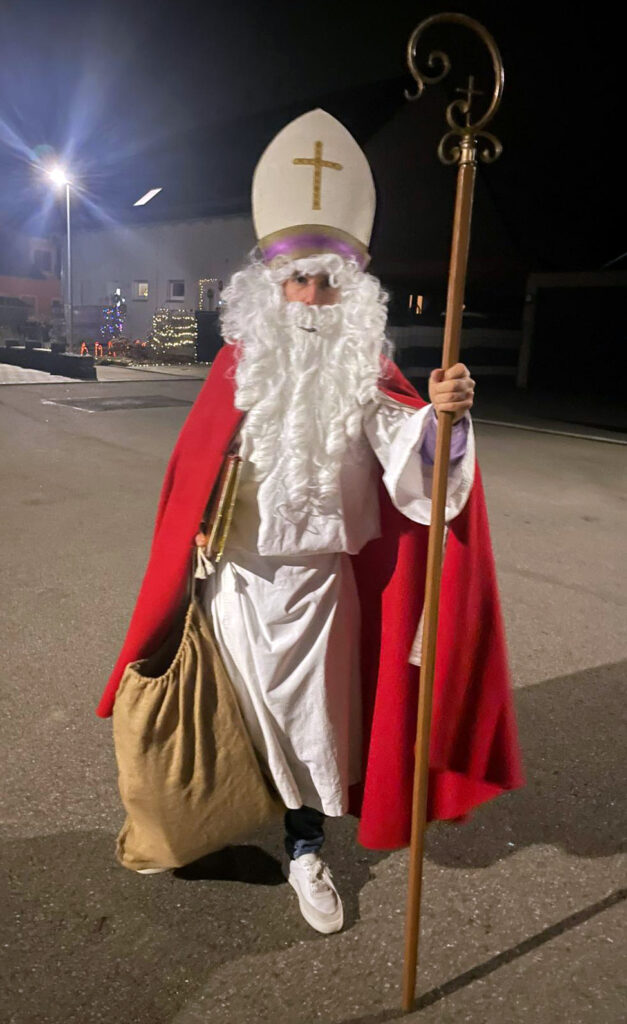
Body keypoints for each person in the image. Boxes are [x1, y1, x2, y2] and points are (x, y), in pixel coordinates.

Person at [97, 110, 522, 935]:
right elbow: (195, 470)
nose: (313, 299)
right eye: (298, 282)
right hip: (234, 584)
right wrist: (197, 533)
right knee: (226, 719)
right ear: (270, 289)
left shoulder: (366, 370)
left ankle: (303, 849)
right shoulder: (237, 364)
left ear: (350, 294)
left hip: (321, 591)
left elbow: (414, 464)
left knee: (311, 731)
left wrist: (442, 416)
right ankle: (201, 820)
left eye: (328, 284)